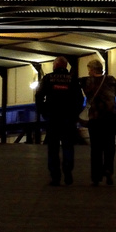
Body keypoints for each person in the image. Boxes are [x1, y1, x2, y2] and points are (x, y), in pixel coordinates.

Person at [35, 56, 82, 185]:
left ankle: (55, 177)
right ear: (65, 66)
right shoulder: (72, 80)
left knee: (53, 148)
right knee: (68, 146)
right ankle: (68, 173)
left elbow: (39, 96)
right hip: (68, 119)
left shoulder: (48, 78)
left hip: (53, 119)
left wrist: (44, 112)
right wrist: (74, 114)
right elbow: (79, 99)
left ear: (55, 66)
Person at [81, 58, 116, 186]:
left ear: (91, 69)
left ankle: (96, 178)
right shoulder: (111, 80)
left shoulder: (86, 81)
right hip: (110, 118)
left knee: (96, 148)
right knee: (109, 145)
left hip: (95, 119)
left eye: (89, 70)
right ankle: (108, 170)